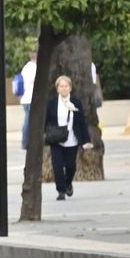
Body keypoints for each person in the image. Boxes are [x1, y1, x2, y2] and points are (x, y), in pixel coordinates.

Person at [44, 74, 93, 202]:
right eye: (61, 86)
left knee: (71, 166)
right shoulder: (52, 103)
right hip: (56, 139)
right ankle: (61, 191)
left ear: (70, 88)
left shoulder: (76, 102)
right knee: (57, 166)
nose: (64, 88)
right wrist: (43, 135)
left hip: (72, 139)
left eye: (66, 86)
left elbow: (82, 122)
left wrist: (86, 140)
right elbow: (45, 120)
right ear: (57, 89)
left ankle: (68, 183)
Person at [15, 47, 38, 149]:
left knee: (28, 120)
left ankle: (26, 141)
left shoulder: (26, 67)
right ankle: (26, 142)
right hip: (30, 98)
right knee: (28, 121)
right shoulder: (32, 68)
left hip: (26, 98)